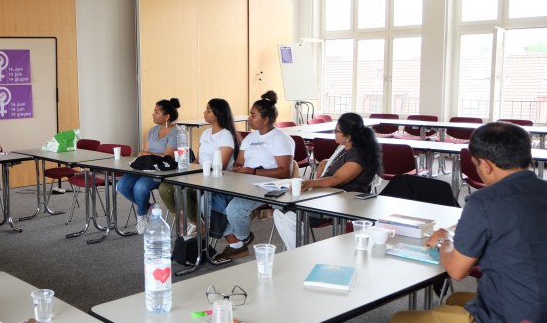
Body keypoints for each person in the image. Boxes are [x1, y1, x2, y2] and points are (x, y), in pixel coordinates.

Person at [388, 122, 547, 323]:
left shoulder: (484, 200)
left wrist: (443, 242)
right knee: (455, 300)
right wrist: (459, 229)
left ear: (485, 165)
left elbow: (457, 271)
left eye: (476, 165)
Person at [272, 112, 382, 250]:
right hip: (326, 195)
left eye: (337, 131)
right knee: (279, 212)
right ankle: (296, 253)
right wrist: (326, 161)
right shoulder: (345, 147)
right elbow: (339, 164)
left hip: (342, 203)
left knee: (290, 216)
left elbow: (337, 179)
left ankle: (298, 253)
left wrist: (309, 183)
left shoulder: (359, 156)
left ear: (348, 136)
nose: (334, 132)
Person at [213, 91, 294, 260]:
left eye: (253, 115)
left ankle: (241, 240)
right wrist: (238, 168)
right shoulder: (250, 137)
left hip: (269, 186)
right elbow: (239, 162)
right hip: (245, 183)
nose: (249, 118)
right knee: (209, 200)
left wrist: (253, 171)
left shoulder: (280, 139)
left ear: (265, 119)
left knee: (234, 210)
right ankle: (237, 243)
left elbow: (285, 172)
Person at [157, 98, 240, 234]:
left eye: (208, 110)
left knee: (182, 191)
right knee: (164, 188)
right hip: (199, 174)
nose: (204, 112)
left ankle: (200, 225)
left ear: (218, 113)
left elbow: (221, 166)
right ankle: (194, 223)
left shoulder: (226, 135)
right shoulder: (206, 133)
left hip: (215, 178)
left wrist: (196, 175)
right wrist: (188, 171)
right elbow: (197, 159)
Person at [117, 98, 181, 234]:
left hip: (162, 170)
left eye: (157, 112)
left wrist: (149, 154)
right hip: (146, 166)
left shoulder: (177, 133)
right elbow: (143, 154)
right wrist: (150, 154)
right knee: (121, 185)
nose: (153, 114)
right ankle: (150, 208)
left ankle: (141, 216)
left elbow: (167, 157)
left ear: (167, 116)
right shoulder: (153, 130)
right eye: (154, 111)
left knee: (140, 187)